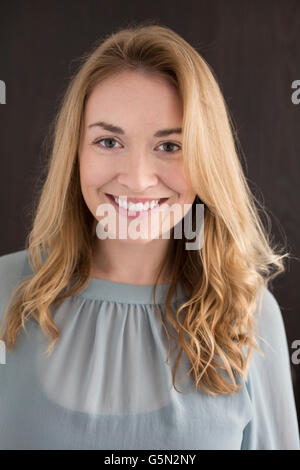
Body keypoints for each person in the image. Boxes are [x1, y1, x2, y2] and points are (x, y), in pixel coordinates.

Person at [0, 23, 299, 450]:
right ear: (75, 154)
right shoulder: (3, 293)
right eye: (108, 141)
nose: (137, 179)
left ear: (206, 159)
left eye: (170, 147)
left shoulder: (248, 316)